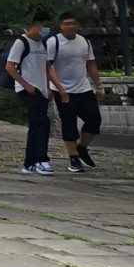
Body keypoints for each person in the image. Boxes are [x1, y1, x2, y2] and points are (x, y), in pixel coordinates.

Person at [5, 8, 56, 174]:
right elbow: (10, 67)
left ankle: (30, 162)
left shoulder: (42, 43)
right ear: (36, 24)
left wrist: (48, 88)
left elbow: (46, 68)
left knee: (37, 124)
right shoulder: (22, 42)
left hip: (40, 89)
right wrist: (26, 85)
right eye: (45, 26)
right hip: (27, 89)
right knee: (42, 122)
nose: (47, 30)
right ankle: (42, 159)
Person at [49, 11, 102, 171]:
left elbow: (91, 64)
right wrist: (59, 88)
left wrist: (98, 85)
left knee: (94, 119)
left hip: (84, 88)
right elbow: (48, 67)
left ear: (77, 25)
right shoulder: (54, 42)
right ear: (61, 26)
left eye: (72, 23)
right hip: (63, 90)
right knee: (69, 123)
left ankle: (82, 147)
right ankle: (73, 158)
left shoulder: (84, 42)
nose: (70, 26)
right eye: (66, 24)